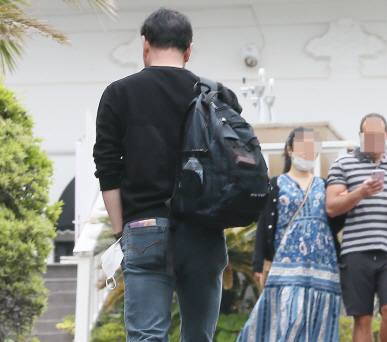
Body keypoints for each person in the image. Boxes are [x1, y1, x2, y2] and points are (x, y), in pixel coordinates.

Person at [93, 8, 242, 342]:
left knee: (146, 337)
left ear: (144, 45)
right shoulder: (215, 94)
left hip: (145, 229)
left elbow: (107, 166)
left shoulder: (119, 93)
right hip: (204, 230)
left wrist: (121, 229)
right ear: (188, 50)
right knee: (199, 337)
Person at [237, 127, 342, 342]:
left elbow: (335, 222)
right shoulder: (275, 184)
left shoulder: (325, 185)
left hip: (323, 267)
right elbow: (265, 223)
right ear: (290, 150)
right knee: (287, 318)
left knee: (319, 321)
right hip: (286, 265)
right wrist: (258, 263)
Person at [326, 114, 387, 342]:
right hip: (355, 251)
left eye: (378, 136)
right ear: (361, 136)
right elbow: (332, 207)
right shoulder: (342, 164)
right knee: (362, 318)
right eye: (369, 136)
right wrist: (361, 192)